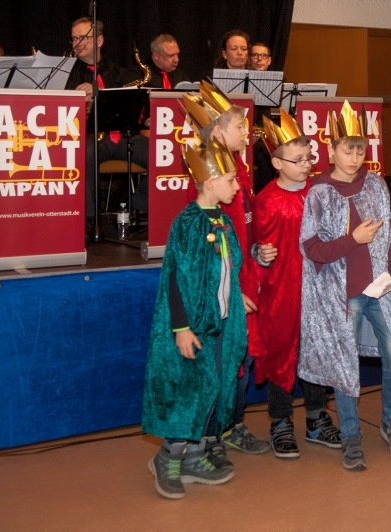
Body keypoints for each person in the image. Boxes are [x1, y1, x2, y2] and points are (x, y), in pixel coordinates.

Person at [299, 100, 391, 471]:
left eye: (360, 150)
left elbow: (389, 232)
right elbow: (312, 248)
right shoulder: (319, 192)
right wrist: (353, 240)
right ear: (332, 151)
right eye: (348, 150)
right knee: (345, 365)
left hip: (379, 289)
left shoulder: (375, 184)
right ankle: (350, 436)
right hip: (342, 295)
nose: (355, 157)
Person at [141, 137, 246, 500]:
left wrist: (237, 295)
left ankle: (196, 455)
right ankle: (168, 457)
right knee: (189, 392)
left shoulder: (223, 221)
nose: (237, 186)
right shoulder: (188, 223)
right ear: (210, 182)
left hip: (221, 323)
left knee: (213, 388)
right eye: (231, 179)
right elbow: (175, 277)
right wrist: (182, 327)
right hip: (194, 326)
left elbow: (225, 269)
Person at [183, 80, 269, 455]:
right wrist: (233, 290)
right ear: (217, 133)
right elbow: (214, 249)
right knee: (224, 359)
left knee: (241, 357)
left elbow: (243, 230)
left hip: (244, 280)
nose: (246, 133)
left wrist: (257, 251)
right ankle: (212, 433)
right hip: (226, 288)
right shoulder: (213, 183)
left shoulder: (240, 172)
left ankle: (232, 424)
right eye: (239, 127)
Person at [252, 109, 342, 459]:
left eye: (309, 158)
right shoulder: (267, 201)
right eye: (298, 160)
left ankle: (317, 417)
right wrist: (261, 254)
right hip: (283, 292)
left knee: (317, 351)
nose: (306, 165)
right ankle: (280, 420)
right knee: (282, 353)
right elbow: (255, 246)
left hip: (319, 288)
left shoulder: (320, 192)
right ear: (277, 163)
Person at [64, 17, 148, 230]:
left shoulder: (118, 72)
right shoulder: (68, 75)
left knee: (162, 153)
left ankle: (137, 208)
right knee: (84, 152)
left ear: (99, 41)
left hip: (123, 137)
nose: (77, 43)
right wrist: (76, 98)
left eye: (83, 38)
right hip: (91, 138)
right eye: (74, 38)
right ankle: (89, 221)